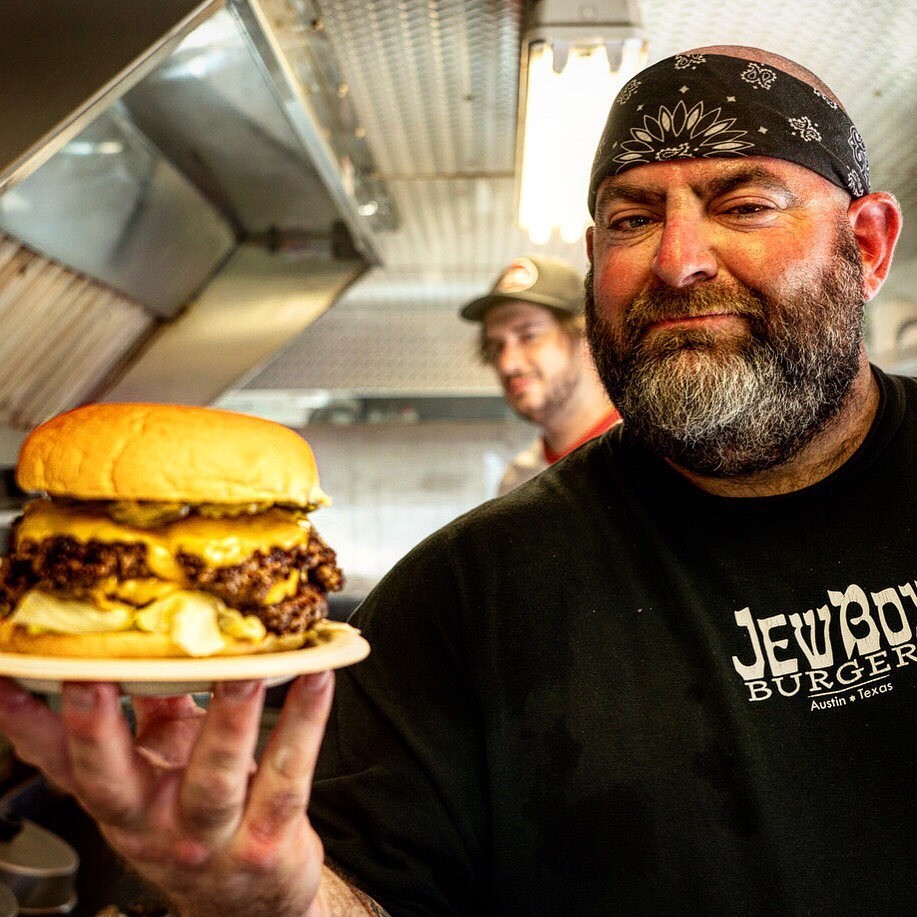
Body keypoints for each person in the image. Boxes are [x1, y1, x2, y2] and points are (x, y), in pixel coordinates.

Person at [0, 44, 913, 915]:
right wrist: (262, 895)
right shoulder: (463, 595)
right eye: (632, 219)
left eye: (744, 205)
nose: (676, 262)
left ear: (866, 245)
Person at [460, 255, 620, 494]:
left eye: (529, 336)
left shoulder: (659, 459)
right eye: (496, 347)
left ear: (588, 337)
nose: (507, 364)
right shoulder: (516, 486)